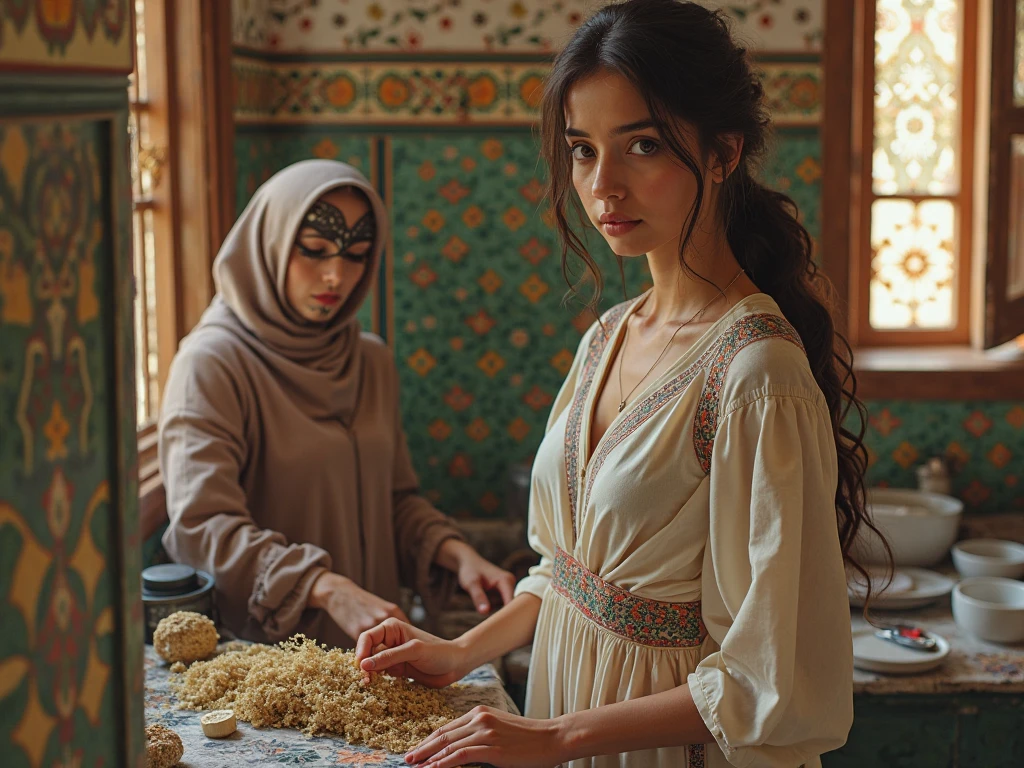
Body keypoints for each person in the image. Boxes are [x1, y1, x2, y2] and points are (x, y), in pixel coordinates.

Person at [353, 2, 887, 766]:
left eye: (641, 145)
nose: (603, 187)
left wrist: (555, 737)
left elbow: (776, 676)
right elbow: (571, 572)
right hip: (565, 711)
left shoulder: (756, 376)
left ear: (723, 153)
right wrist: (459, 651)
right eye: (581, 150)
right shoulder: (609, 335)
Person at [159, 160, 515, 650]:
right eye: (314, 251)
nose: (336, 275)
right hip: (272, 668)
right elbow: (203, 529)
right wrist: (325, 587)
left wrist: (454, 553)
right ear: (271, 243)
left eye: (357, 256)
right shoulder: (212, 365)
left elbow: (393, 501)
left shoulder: (369, 360)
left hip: (381, 655)